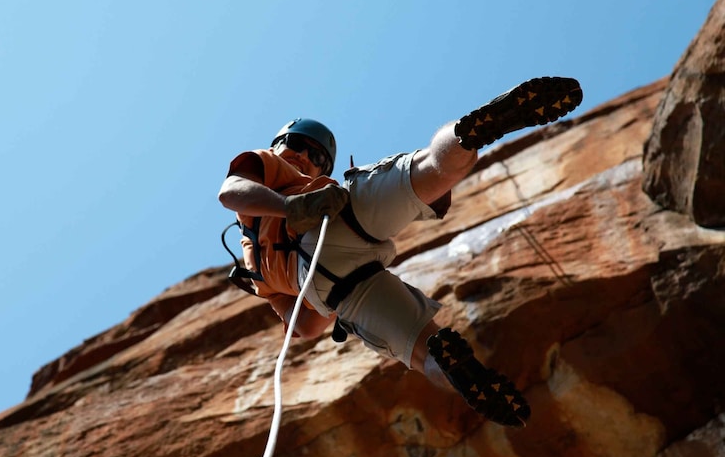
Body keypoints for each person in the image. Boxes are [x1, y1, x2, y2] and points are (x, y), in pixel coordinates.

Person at [218, 77, 583, 427]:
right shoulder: (265, 222)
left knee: (417, 348)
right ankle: (463, 137)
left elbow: (231, 193)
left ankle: (472, 132)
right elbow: (305, 323)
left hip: (333, 259)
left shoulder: (261, 255)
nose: (302, 156)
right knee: (431, 170)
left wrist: (292, 215)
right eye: (296, 145)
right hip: (338, 239)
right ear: (279, 144)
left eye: (315, 156)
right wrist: (289, 218)